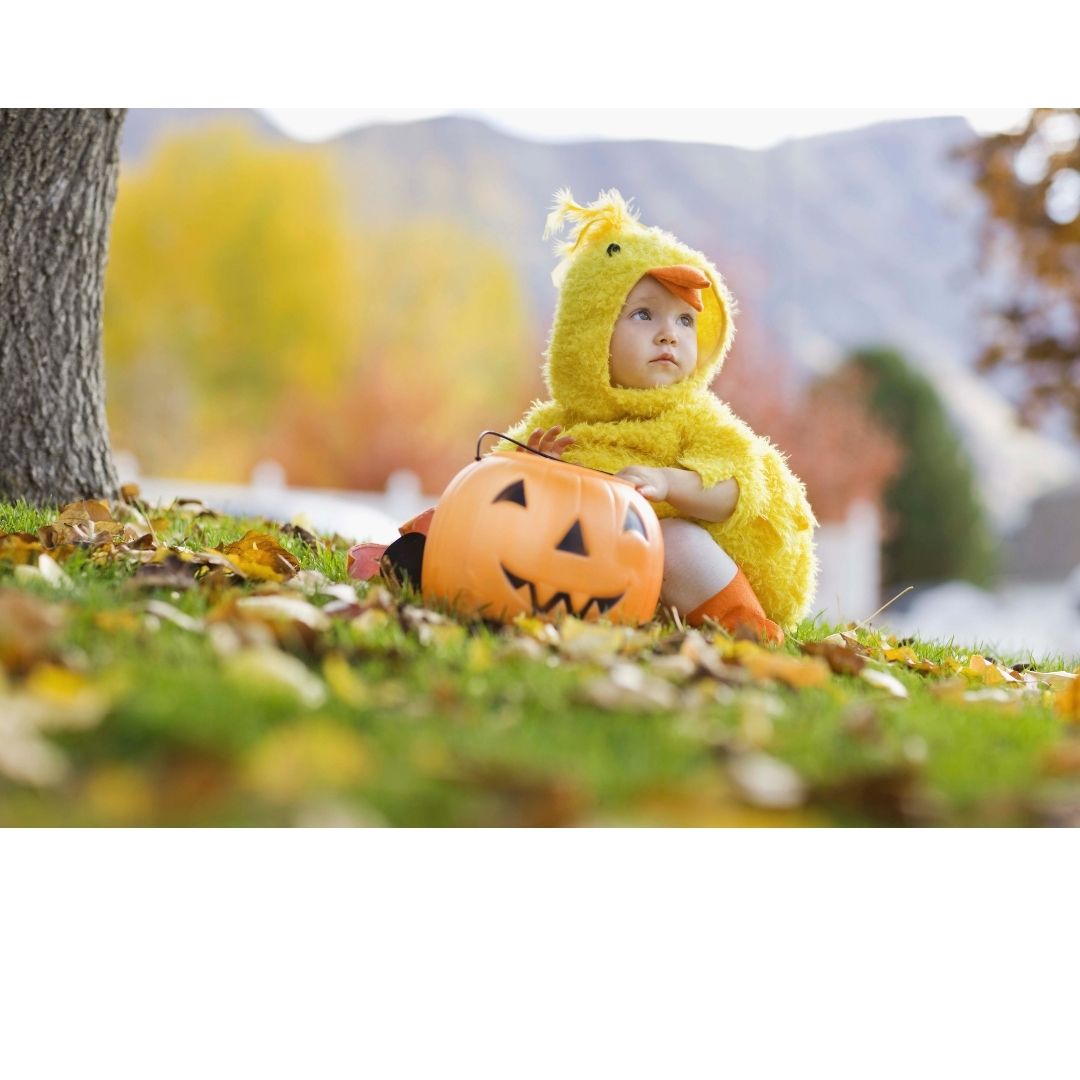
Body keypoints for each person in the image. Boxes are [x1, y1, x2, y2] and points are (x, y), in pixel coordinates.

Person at [498, 189, 818, 644]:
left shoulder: (695, 418)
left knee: (671, 538)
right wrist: (530, 468)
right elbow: (488, 487)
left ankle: (741, 622)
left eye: (685, 321)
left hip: (700, 573)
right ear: (592, 332)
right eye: (644, 315)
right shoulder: (559, 423)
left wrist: (669, 484)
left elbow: (735, 489)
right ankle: (416, 550)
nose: (669, 335)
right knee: (499, 509)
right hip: (603, 578)